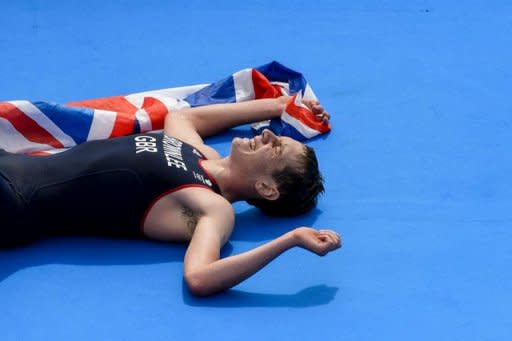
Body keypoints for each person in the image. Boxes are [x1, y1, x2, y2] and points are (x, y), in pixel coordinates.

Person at [0, 95, 342, 296]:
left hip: (14, 200)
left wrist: (291, 239)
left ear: (267, 189)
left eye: (276, 146)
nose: (267, 134)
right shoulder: (199, 154)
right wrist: (280, 105)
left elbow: (199, 277)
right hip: (10, 163)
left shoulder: (212, 207)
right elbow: (183, 116)